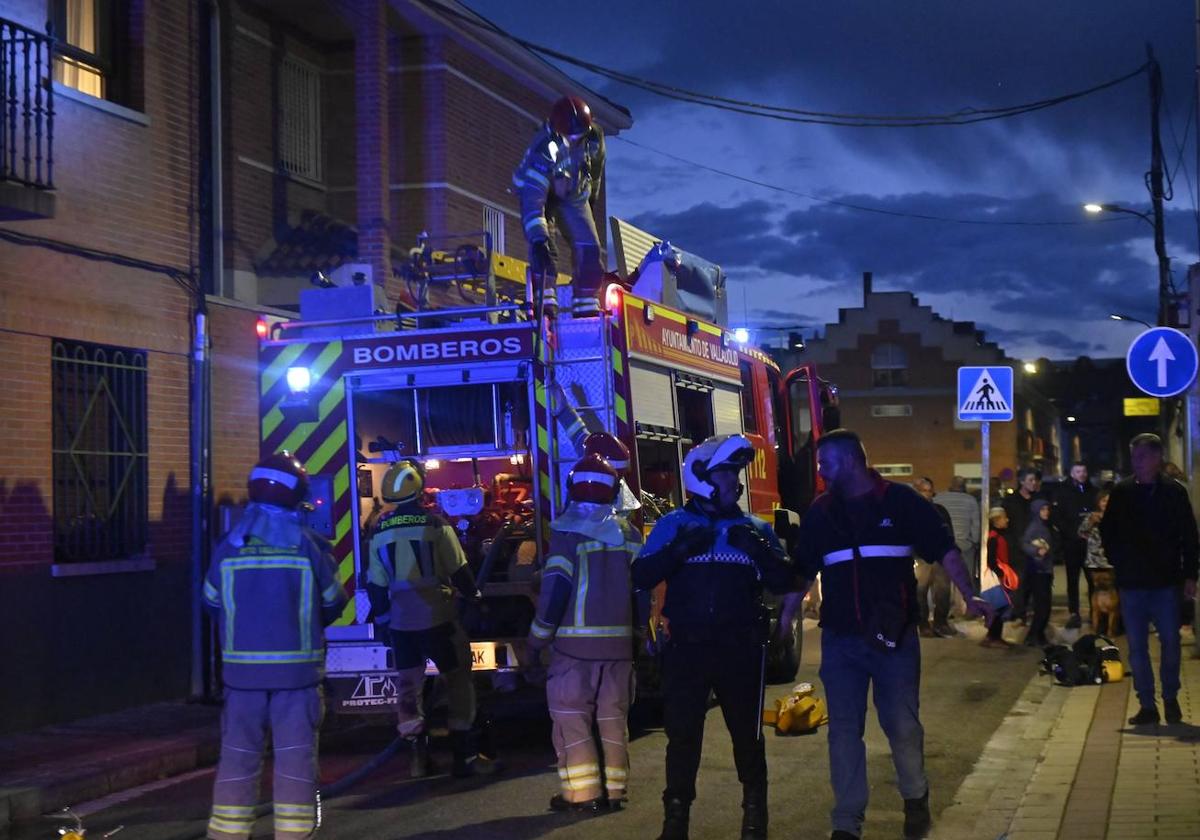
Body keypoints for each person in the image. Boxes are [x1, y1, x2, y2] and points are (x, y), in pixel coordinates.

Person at [790, 430, 993, 840]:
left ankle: (915, 797)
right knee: (844, 732)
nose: (820, 471)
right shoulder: (821, 512)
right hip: (841, 640)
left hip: (893, 639)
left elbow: (944, 549)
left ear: (849, 461)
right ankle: (846, 823)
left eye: (825, 463)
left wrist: (972, 596)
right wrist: (785, 616)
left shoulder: (900, 503)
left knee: (902, 725)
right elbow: (802, 570)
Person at [631, 433, 800, 840]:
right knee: (683, 738)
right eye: (728, 474)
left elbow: (785, 581)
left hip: (741, 650)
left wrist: (760, 549)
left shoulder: (754, 528)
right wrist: (679, 550)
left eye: (736, 474)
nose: (736, 483)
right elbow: (640, 576)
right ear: (704, 477)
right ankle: (675, 822)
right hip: (687, 651)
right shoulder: (674, 524)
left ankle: (755, 819)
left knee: (748, 737)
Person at [204, 452, 348, 840]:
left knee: (236, 760)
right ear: (296, 495)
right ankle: (294, 835)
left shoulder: (230, 546)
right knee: (295, 764)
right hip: (296, 680)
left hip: (240, 681)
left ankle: (228, 835)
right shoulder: (307, 546)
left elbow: (211, 601)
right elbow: (335, 601)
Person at [365, 459, 498, 777]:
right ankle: (464, 758)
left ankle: (417, 759)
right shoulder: (436, 526)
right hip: (440, 619)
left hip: (401, 625)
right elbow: (460, 571)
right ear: (420, 490)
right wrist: (476, 600)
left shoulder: (379, 532)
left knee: (409, 689)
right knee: (458, 682)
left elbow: (376, 584)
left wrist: (383, 621)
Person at [527, 453, 642, 814]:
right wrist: (640, 633)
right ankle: (615, 792)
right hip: (620, 650)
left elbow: (555, 591)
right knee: (613, 721)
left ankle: (582, 795)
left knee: (571, 722)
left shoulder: (567, 535)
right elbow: (642, 591)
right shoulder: (631, 535)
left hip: (574, 652)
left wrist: (536, 641)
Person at [1099, 434, 1199, 725]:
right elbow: (1108, 531)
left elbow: (1189, 536)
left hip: (1166, 582)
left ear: (1157, 457)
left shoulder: (1174, 493)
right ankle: (1147, 704)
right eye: (1134, 456)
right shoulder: (1123, 491)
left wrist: (1190, 573)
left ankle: (1170, 698)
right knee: (1138, 646)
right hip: (1132, 582)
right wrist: (1119, 559)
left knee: (1170, 642)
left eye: (1142, 456)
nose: (1137, 462)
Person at [512, 95, 606, 316]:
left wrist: (590, 201)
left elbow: (595, 172)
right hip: (541, 191)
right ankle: (546, 302)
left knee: (590, 248)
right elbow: (533, 201)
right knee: (545, 248)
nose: (574, 140)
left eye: (578, 136)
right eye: (569, 136)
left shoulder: (594, 136)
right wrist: (537, 238)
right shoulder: (544, 148)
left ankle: (585, 304)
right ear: (558, 130)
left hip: (575, 194)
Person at [1053, 462, 1098, 630]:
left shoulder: (1093, 491)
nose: (1082, 474)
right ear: (1072, 473)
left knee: (1093, 579)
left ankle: (1096, 612)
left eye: (1084, 471)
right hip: (1072, 543)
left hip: (1091, 544)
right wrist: (1072, 533)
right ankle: (1074, 613)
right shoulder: (1063, 492)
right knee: (1072, 580)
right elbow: (1059, 518)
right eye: (1078, 471)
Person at [912, 477, 956, 638]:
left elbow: (948, 532)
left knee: (943, 591)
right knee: (919, 592)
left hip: (940, 557)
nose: (927, 494)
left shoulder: (940, 510)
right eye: (923, 490)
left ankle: (941, 622)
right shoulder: (908, 510)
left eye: (928, 491)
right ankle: (923, 624)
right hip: (920, 558)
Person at [1002, 467, 1042, 623]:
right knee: (1018, 582)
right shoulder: (1011, 501)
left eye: (1035, 480)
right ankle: (1018, 612)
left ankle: (1030, 611)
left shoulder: (1037, 500)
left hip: (1036, 548)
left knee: (1034, 583)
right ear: (1022, 481)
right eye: (1030, 480)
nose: (1034, 483)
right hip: (1017, 549)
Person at [1020, 499, 1058, 647]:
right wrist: (1037, 550)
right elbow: (1024, 543)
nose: (1046, 512)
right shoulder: (1035, 526)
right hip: (1038, 570)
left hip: (1044, 569)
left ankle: (1038, 635)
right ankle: (1034, 635)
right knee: (1042, 606)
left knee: (1044, 606)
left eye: (1047, 509)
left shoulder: (1044, 525)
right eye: (1043, 509)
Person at [980, 507, 1016, 648]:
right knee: (998, 606)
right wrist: (1000, 574)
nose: (1006, 520)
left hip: (998, 574)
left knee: (998, 606)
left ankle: (993, 636)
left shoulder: (998, 535)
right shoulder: (994, 537)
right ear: (996, 520)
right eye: (1004, 517)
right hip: (996, 577)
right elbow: (992, 560)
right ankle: (994, 637)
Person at [936, 476, 981, 585]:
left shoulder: (938, 498)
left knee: (944, 579)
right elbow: (975, 525)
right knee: (965, 579)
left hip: (943, 545)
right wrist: (974, 541)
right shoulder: (970, 500)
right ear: (964, 486)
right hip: (964, 545)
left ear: (950, 485)